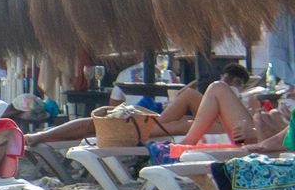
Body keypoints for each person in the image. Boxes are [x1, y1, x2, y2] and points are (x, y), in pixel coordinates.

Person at [25, 64, 252, 147]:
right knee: (97, 124)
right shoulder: (213, 105)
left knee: (96, 125)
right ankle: (39, 137)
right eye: (230, 81)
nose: (233, 87)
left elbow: (186, 98)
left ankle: (38, 137)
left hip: (153, 127)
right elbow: (187, 96)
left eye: (238, 84)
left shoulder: (225, 105)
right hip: (157, 125)